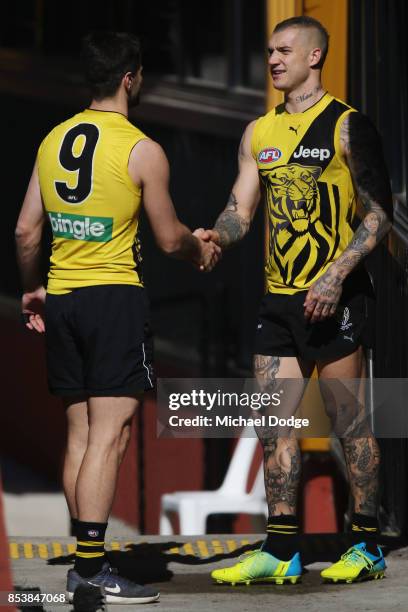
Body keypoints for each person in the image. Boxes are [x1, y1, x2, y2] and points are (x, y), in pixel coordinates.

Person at [15, 31, 220, 605]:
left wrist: (33, 288)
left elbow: (26, 229)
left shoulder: (53, 139)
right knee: (112, 434)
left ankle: (86, 555)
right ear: (131, 77)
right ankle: (90, 570)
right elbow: (168, 236)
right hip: (113, 300)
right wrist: (200, 248)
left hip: (63, 295)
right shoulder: (141, 148)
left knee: (81, 432)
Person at [195, 16, 393, 585]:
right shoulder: (258, 132)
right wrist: (212, 239)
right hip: (279, 302)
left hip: (339, 297)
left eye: (284, 50)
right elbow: (240, 212)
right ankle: (281, 550)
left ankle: (367, 545)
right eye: (269, 51)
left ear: (314, 56)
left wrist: (336, 274)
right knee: (273, 425)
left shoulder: (349, 127)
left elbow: (379, 213)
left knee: (349, 422)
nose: (274, 60)